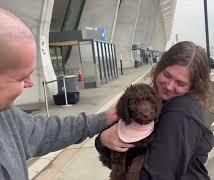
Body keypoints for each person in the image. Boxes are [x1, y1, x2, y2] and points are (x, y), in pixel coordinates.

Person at [0, 8, 132, 180]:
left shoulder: (7, 117)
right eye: (21, 78)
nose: (30, 83)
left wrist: (104, 119)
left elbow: (45, 132)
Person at [97, 41, 214, 179]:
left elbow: (157, 175)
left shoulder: (181, 116)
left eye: (180, 83)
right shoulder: (154, 99)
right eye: (167, 75)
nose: (169, 86)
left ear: (194, 86)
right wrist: (102, 139)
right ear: (159, 67)